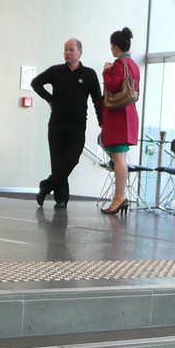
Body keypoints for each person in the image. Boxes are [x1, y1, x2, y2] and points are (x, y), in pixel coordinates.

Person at [32, 38, 103, 208]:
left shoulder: (89, 74)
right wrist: (51, 100)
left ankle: (46, 185)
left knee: (72, 159)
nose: (67, 53)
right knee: (57, 163)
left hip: (77, 126)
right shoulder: (56, 71)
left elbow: (97, 101)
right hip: (57, 125)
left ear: (80, 52)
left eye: (71, 50)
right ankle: (61, 199)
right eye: (65, 50)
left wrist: (102, 122)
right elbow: (36, 83)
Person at [100, 27, 140, 215]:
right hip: (128, 115)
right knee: (120, 158)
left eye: (112, 46)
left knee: (118, 159)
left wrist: (106, 71)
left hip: (118, 117)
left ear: (116, 46)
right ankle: (120, 196)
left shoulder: (118, 65)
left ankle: (119, 197)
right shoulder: (133, 64)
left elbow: (112, 85)